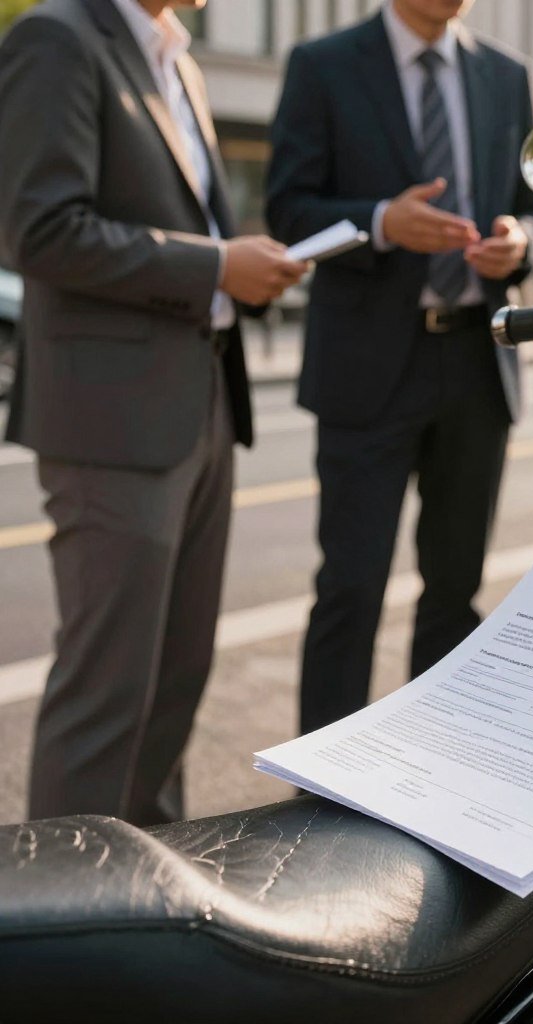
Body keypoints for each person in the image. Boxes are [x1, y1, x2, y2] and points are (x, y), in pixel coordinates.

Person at [0, 0, 308, 825]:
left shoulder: (179, 57)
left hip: (202, 395)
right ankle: (60, 923)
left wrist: (242, 267)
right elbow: (38, 229)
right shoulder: (57, 37)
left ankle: (144, 900)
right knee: (107, 693)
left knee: (174, 681)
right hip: (111, 418)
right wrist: (216, 264)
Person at [266, 0, 533, 734]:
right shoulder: (323, 66)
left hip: (476, 364)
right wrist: (378, 223)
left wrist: (523, 240)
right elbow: (288, 209)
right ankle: (322, 801)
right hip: (366, 368)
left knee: (456, 591)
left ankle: (430, 775)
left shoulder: (506, 75)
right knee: (350, 590)